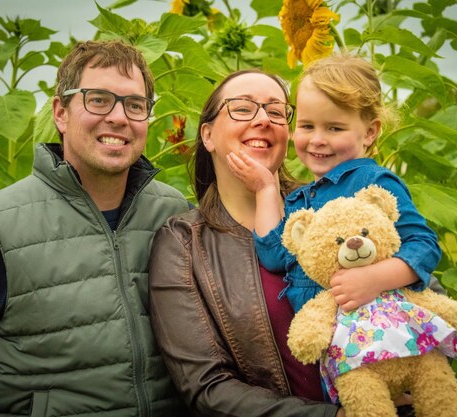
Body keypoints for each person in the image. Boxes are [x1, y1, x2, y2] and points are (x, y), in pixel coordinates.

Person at [0, 40, 190, 416]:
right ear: (60, 113)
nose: (118, 117)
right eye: (98, 99)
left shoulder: (176, 215)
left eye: (135, 104)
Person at [148, 69, 413, 417]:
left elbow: (416, 280)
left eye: (276, 112)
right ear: (208, 134)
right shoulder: (184, 244)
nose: (263, 119)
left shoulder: (334, 204)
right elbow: (207, 387)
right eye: (242, 108)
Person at [226, 53, 442, 316]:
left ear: (370, 132)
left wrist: (375, 279)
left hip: (374, 332)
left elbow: (424, 245)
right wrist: (265, 189)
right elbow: (275, 257)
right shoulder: (301, 199)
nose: (317, 139)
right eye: (307, 126)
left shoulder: (373, 184)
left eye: (334, 129)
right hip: (327, 342)